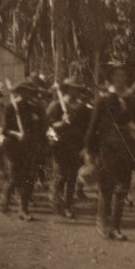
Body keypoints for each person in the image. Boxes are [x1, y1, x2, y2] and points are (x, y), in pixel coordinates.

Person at [84, 63, 135, 241]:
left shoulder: (131, 100)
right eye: (118, 75)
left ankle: (116, 227)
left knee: (123, 187)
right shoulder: (104, 99)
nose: (122, 78)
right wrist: (90, 149)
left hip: (127, 147)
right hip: (108, 147)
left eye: (123, 75)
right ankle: (102, 222)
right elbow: (93, 126)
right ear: (111, 78)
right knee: (106, 186)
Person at [0, 77, 46, 220]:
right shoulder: (10, 107)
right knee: (14, 177)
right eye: (25, 91)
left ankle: (23, 209)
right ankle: (5, 202)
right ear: (19, 92)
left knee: (29, 179)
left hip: (29, 147)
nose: (28, 94)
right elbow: (4, 129)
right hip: (13, 147)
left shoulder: (33, 108)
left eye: (30, 92)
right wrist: (17, 133)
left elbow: (41, 126)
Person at [47, 76, 90, 219]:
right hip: (60, 146)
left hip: (76, 147)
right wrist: (62, 124)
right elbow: (48, 127)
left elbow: (86, 129)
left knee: (72, 177)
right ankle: (56, 202)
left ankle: (68, 205)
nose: (77, 91)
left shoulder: (83, 108)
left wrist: (85, 146)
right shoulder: (56, 105)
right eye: (74, 88)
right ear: (67, 89)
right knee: (60, 176)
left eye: (78, 89)